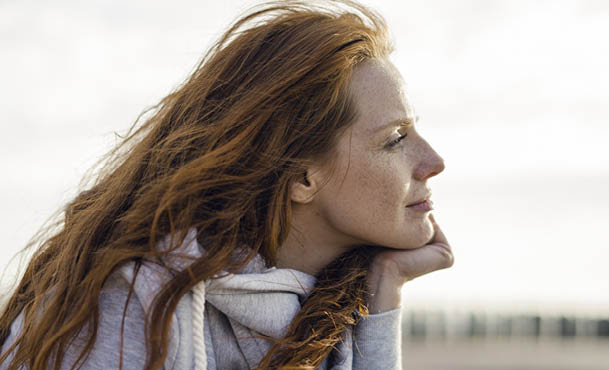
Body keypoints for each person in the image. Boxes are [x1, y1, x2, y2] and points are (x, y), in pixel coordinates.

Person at [0, 1, 453, 369]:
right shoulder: (133, 306)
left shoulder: (337, 304)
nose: (434, 162)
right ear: (302, 176)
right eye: (395, 139)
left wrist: (384, 294)